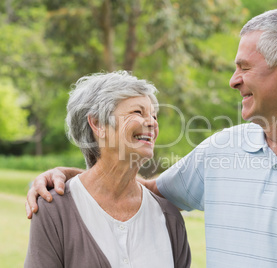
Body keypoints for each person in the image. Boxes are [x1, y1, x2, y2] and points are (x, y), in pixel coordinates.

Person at [26, 9, 277, 267]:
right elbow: (141, 188)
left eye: (244, 67)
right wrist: (68, 175)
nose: (233, 80)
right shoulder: (222, 150)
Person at [24, 71, 191, 268]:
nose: (153, 123)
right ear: (97, 123)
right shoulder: (53, 210)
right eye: (138, 112)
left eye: (154, 116)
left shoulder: (169, 217)